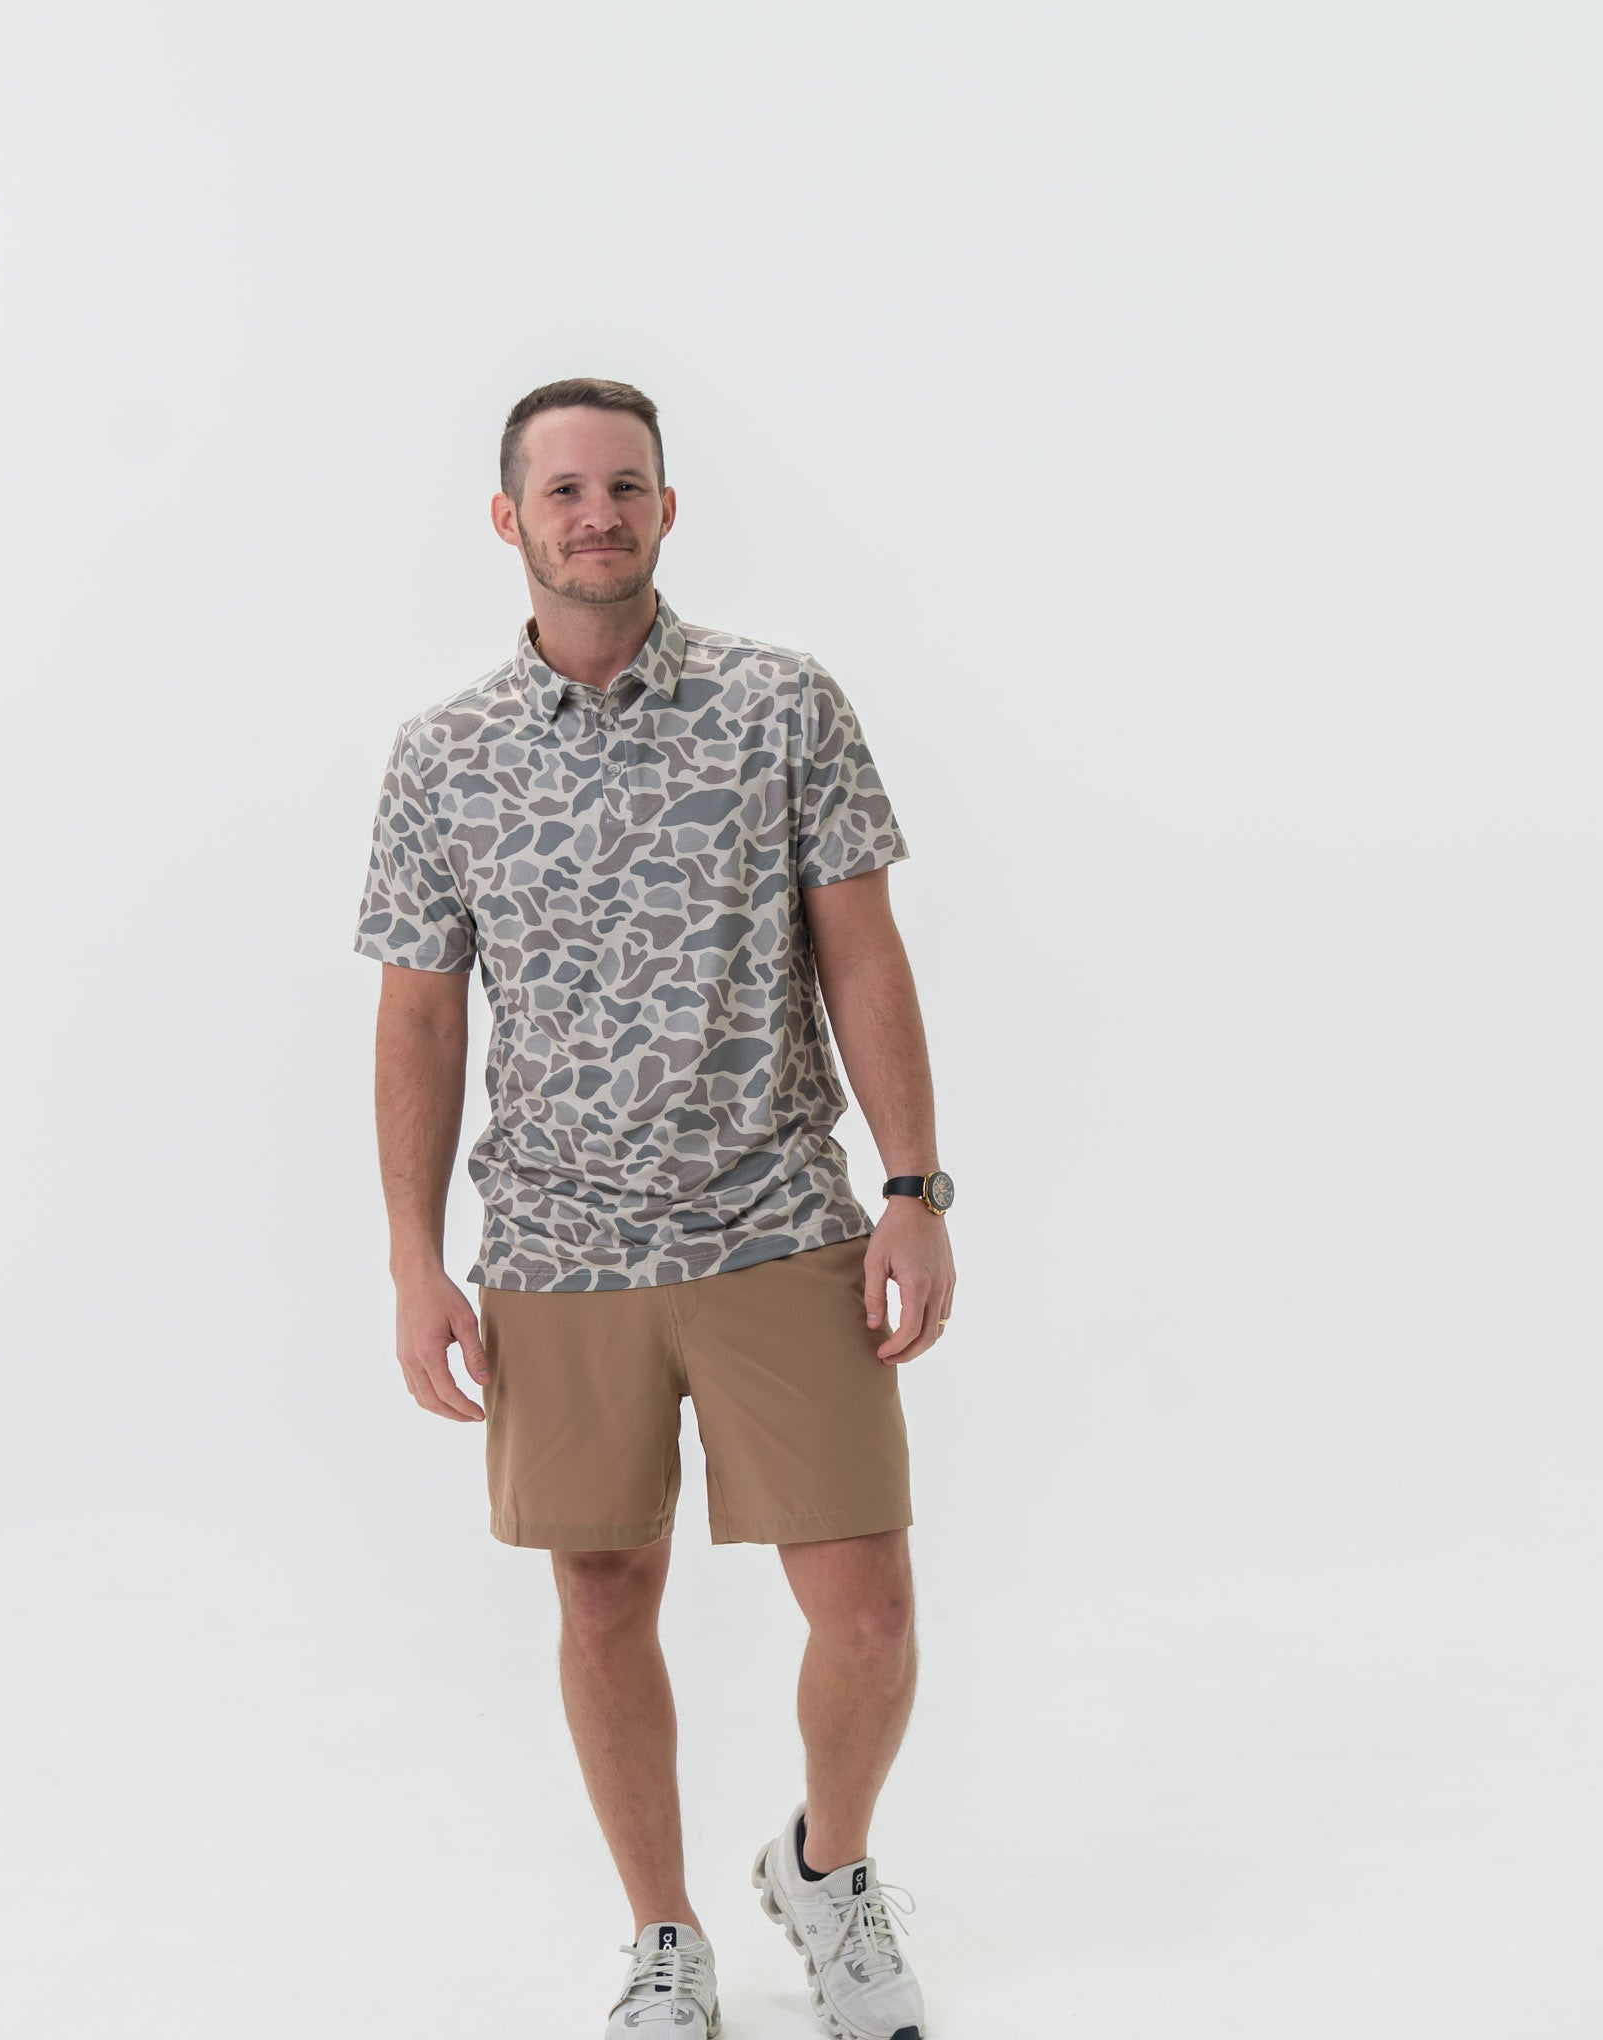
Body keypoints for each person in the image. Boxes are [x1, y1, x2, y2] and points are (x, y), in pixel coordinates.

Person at [354, 376, 955, 2040]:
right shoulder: (444, 758)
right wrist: (413, 1258)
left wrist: (913, 1189)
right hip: (558, 1250)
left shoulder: (783, 706)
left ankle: (827, 1869)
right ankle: (664, 1935)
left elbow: (864, 955)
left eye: (625, 485)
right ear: (510, 520)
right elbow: (420, 1020)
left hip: (780, 1223)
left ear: (668, 508)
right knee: (605, 1599)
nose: (596, 514)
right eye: (563, 490)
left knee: (870, 1610)